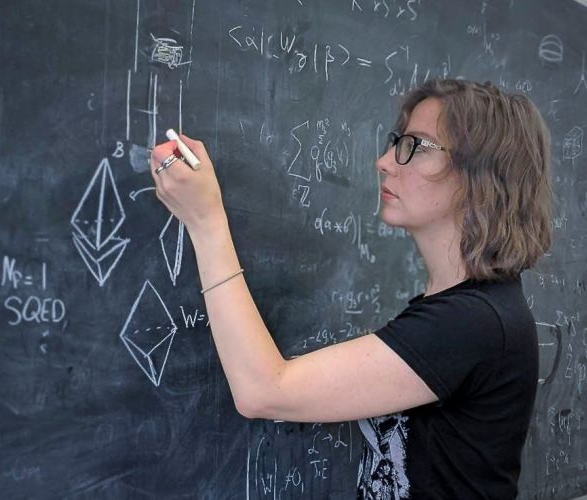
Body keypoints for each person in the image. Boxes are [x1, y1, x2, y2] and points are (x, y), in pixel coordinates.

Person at [149, 79, 554, 499]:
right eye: (397, 142)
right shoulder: (467, 311)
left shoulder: (472, 323)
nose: (383, 161)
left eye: (416, 146)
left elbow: (263, 390)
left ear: (481, 176)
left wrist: (206, 222)